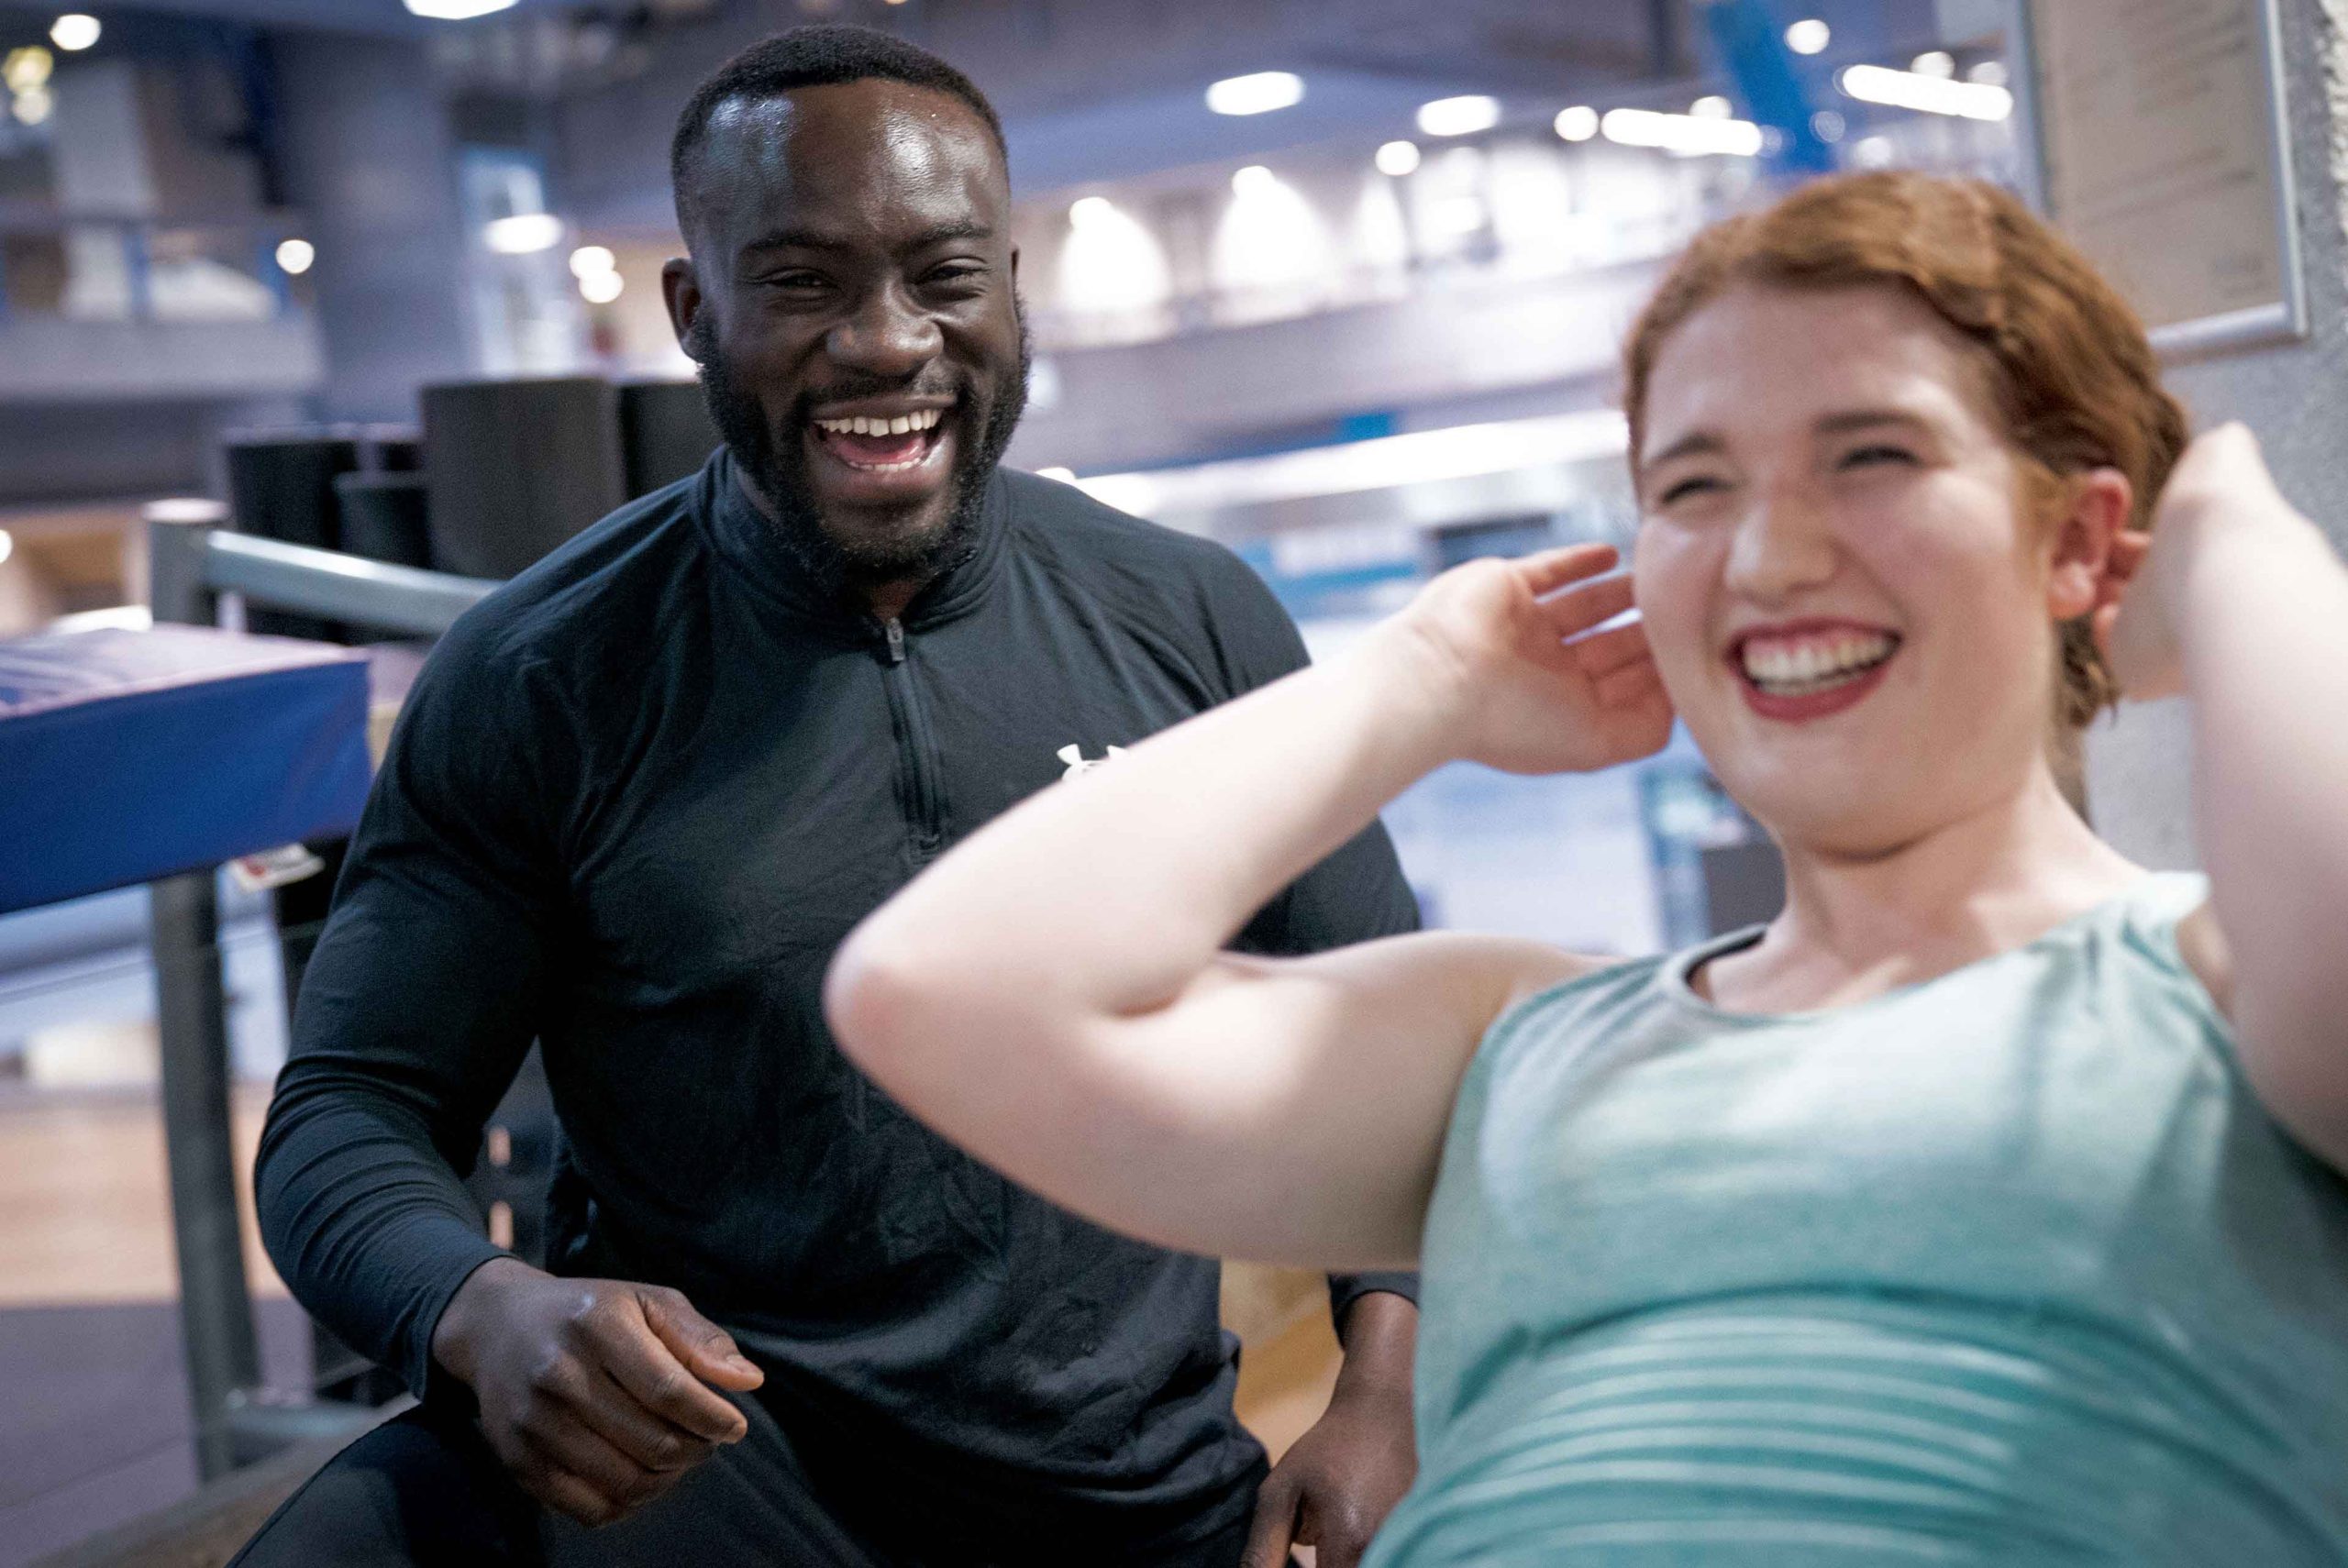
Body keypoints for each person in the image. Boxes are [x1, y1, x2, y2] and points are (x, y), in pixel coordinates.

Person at [826, 171, 2348, 1565]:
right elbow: (940, 994)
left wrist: (2234, 547)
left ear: (2084, 542)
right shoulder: (1519, 1034)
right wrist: (1420, 679)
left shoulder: (2221, 992)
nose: (1764, 558)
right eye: (1693, 486)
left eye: (1870, 454)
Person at [238, 25, 1423, 1568]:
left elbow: (1385, 1041)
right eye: (802, 281)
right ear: (692, 310)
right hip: (710, 1472)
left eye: (943, 275)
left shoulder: (1191, 623)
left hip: (1128, 1496)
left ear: (1011, 284)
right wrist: (480, 1305)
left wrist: (1384, 1387)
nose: (884, 342)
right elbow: (350, 1112)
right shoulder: (546, 672)